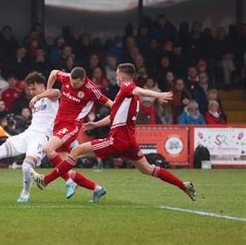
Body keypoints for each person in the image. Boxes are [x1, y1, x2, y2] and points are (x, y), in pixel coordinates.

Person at [30, 63, 196, 202]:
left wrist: (157, 94)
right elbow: (113, 116)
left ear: (123, 76)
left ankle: (46, 180)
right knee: (148, 169)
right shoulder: (125, 97)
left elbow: (139, 90)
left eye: (117, 74)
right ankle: (184, 185)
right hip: (130, 141)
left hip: (117, 140)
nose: (116, 77)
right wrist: (96, 124)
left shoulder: (126, 87)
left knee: (76, 151)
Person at [0, 72, 60, 203]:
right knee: (1, 149)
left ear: (40, 85)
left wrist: (38, 97)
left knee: (26, 166)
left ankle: (25, 193)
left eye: (33, 89)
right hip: (28, 134)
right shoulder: (35, 102)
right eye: (29, 89)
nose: (30, 92)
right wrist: (36, 98)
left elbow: (56, 92)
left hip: (42, 138)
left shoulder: (49, 96)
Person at [32, 67, 113, 200]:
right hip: (58, 124)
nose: (72, 85)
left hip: (71, 126)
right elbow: (53, 73)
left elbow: (110, 103)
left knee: (48, 148)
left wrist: (121, 114)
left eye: (76, 83)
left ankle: (47, 181)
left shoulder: (91, 89)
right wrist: (48, 92)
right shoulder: (67, 77)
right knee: (66, 170)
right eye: (71, 82)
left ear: (83, 80)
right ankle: (97, 188)